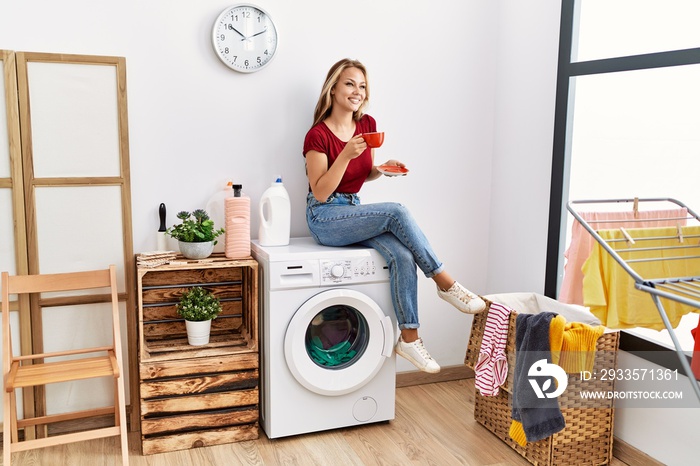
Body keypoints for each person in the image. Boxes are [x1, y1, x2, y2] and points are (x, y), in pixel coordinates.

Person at [302, 58, 485, 373]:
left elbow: (360, 175)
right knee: (396, 211)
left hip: (352, 209)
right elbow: (320, 191)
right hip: (325, 217)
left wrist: (381, 170)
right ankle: (445, 282)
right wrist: (345, 153)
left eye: (362, 86)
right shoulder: (317, 135)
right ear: (333, 89)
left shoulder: (366, 124)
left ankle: (410, 339)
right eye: (349, 83)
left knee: (401, 254)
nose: (357, 91)